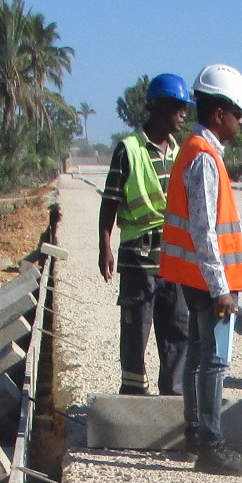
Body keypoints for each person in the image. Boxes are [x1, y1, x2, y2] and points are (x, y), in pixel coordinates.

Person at [161, 64, 242, 477]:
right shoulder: (204, 158)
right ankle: (210, 445)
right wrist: (221, 288)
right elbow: (204, 229)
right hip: (207, 281)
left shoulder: (199, 152)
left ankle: (196, 434)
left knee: (199, 357)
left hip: (196, 277)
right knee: (213, 361)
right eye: (238, 112)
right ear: (219, 113)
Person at [99, 74, 192, 396]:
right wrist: (105, 247)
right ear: (159, 107)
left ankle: (173, 396)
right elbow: (110, 200)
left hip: (174, 260)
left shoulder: (180, 152)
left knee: (178, 328)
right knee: (136, 330)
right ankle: (133, 395)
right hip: (139, 259)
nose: (184, 114)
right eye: (178, 107)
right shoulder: (129, 150)